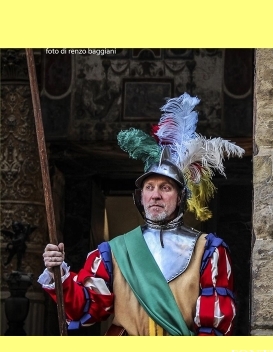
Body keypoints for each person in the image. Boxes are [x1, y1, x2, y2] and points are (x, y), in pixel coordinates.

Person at [38, 93, 244, 336]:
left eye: (165, 188)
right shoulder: (114, 252)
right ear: (141, 196)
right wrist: (59, 273)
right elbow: (87, 308)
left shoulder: (209, 251)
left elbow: (215, 326)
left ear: (180, 197)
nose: (155, 195)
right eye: (149, 188)